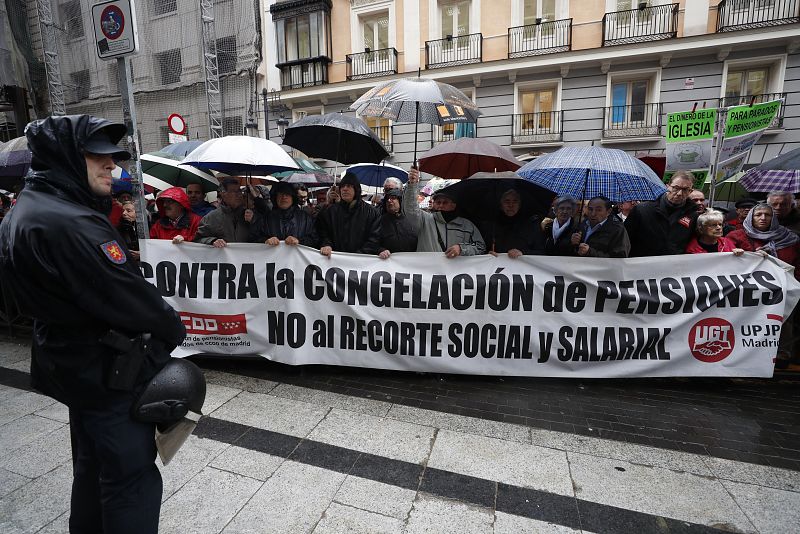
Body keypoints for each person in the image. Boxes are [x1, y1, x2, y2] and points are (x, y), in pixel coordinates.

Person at [0, 115, 186, 534]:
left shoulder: (25, 210)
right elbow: (132, 300)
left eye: (114, 158)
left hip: (71, 366)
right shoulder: (72, 223)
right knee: (129, 480)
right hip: (106, 373)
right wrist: (174, 328)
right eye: (98, 157)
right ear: (66, 158)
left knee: (91, 465)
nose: (113, 167)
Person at [727, 203, 800, 368]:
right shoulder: (737, 236)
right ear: (750, 217)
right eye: (758, 214)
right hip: (747, 289)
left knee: (783, 320)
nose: (763, 218)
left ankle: (781, 355)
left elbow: (796, 263)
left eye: (767, 215)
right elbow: (728, 259)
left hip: (782, 288)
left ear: (773, 218)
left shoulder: (789, 238)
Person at [403, 168, 485, 258]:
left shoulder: (467, 225)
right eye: (438, 202)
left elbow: (481, 248)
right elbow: (410, 208)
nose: (441, 205)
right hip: (428, 270)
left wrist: (461, 249)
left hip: (456, 271)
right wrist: (412, 185)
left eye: (445, 202)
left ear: (453, 205)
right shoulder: (425, 220)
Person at [625, 170, 699, 256]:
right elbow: (627, 239)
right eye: (676, 188)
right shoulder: (642, 210)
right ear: (667, 186)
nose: (679, 193)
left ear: (690, 191)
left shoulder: (693, 215)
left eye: (685, 190)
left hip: (673, 265)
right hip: (643, 264)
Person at [316, 173, 381, 256]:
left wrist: (356, 256)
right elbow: (322, 232)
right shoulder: (330, 211)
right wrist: (326, 244)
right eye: (342, 186)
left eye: (349, 186)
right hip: (334, 262)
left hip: (360, 263)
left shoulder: (372, 212)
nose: (345, 189)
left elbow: (374, 239)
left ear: (356, 189)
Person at [480, 189, 545, 258]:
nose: (511, 205)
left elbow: (541, 252)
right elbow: (482, 250)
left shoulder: (532, 224)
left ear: (519, 205)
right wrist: (488, 254)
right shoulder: (491, 225)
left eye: (515, 201)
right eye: (507, 201)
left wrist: (523, 253)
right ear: (501, 205)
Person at [249, 181, 317, 247]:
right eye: (280, 194)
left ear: (293, 197)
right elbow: (253, 238)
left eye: (287, 194)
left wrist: (299, 241)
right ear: (275, 198)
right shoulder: (266, 219)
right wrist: (265, 241)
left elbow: (315, 239)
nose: (284, 197)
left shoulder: (306, 218)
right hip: (273, 258)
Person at [193, 178, 253, 247]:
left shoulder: (249, 214)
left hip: (246, 256)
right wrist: (212, 241)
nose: (239, 194)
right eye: (234, 191)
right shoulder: (212, 217)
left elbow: (260, 237)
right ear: (223, 194)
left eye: (239, 191)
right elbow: (198, 239)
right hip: (222, 257)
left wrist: (254, 220)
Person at [377, 188, 417, 259]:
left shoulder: (411, 219)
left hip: (411, 263)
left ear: (400, 201)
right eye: (387, 199)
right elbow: (373, 242)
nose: (389, 201)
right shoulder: (379, 221)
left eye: (393, 198)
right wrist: (380, 250)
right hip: (389, 264)